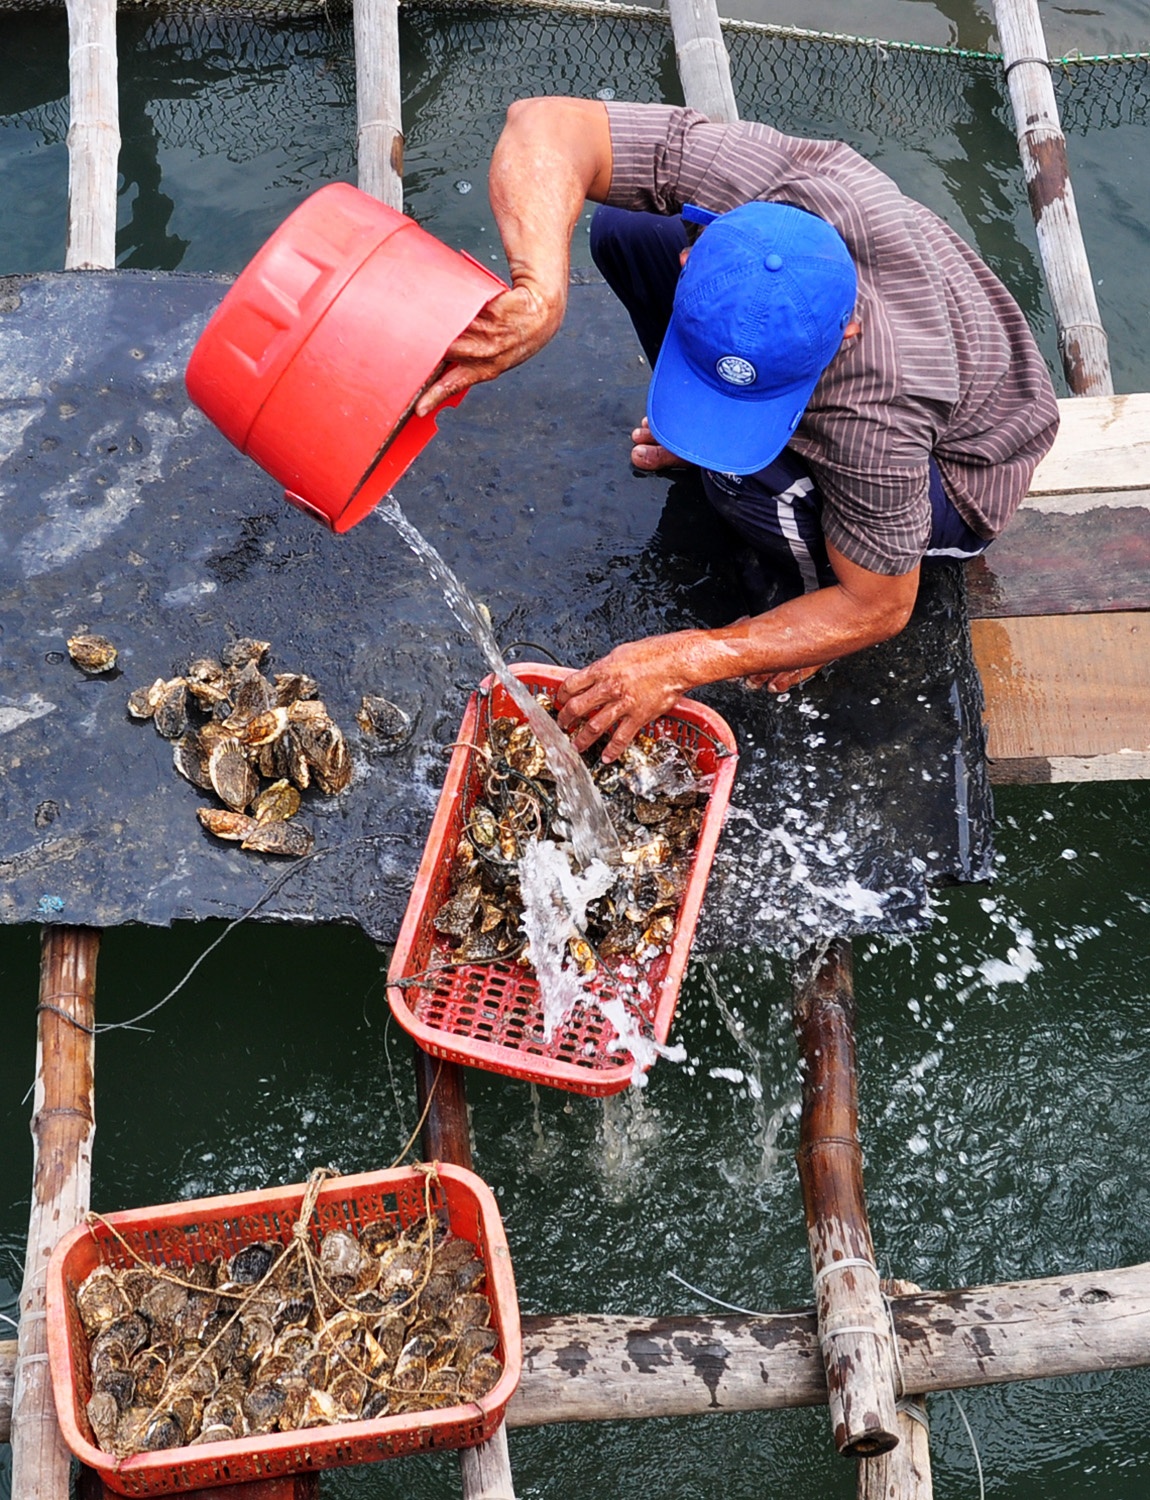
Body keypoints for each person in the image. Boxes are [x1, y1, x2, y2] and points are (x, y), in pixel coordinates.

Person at [415, 96, 1060, 760]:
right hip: (872, 355)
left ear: (847, 334)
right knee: (627, 228)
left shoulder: (879, 406)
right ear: (694, 260)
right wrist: (539, 293)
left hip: (956, 474)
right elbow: (544, 125)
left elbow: (881, 606)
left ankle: (798, 595)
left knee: (751, 487)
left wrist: (689, 657)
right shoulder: (755, 177)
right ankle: (717, 421)